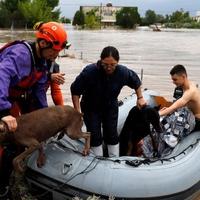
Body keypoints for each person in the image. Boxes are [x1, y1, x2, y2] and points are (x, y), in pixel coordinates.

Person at [0, 21, 67, 197]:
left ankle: (11, 175)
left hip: (14, 97)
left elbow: (38, 91)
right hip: (2, 97)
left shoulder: (43, 62)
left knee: (22, 135)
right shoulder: (21, 54)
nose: (56, 56)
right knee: (5, 135)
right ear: (44, 43)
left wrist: (48, 117)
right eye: (55, 51)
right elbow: (1, 75)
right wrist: (3, 112)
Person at [70, 46, 146, 157]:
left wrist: (140, 97)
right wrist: (77, 112)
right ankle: (97, 159)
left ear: (117, 62)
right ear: (100, 60)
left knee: (112, 134)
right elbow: (75, 90)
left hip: (110, 106)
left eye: (113, 65)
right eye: (105, 64)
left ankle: (114, 158)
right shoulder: (90, 72)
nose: (109, 68)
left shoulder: (122, 72)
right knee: (95, 135)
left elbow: (136, 81)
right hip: (91, 107)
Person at [159, 64, 200, 131]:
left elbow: (173, 107)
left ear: (183, 76)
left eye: (175, 79)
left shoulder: (190, 92)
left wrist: (157, 114)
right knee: (168, 115)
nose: (173, 82)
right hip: (190, 115)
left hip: (197, 121)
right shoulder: (188, 85)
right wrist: (168, 110)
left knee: (168, 124)